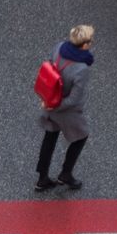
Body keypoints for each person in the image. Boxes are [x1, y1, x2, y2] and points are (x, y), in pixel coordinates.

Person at [36, 24, 95, 192]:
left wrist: (48, 103)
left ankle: (42, 178)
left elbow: (49, 65)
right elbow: (74, 100)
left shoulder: (59, 48)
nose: (91, 44)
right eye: (90, 41)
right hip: (65, 111)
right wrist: (55, 105)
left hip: (49, 101)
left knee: (50, 138)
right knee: (80, 137)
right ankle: (66, 174)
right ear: (84, 45)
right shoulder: (82, 69)